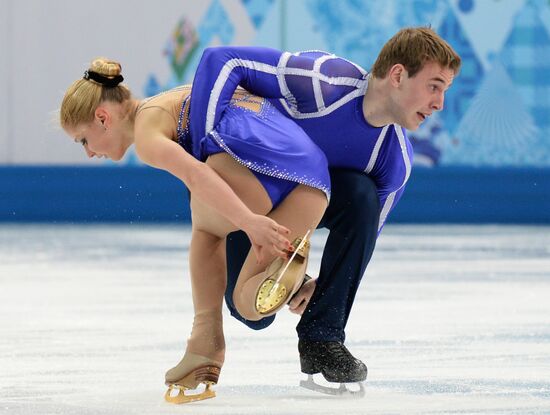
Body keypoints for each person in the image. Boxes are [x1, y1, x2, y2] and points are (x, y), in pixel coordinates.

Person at [186, 27, 461, 391]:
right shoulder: (321, 84)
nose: (440, 102)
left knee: (362, 196)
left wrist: (322, 287)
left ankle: (321, 338)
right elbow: (221, 60)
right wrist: (201, 160)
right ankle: (276, 273)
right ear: (397, 75)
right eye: (434, 86)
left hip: (305, 206)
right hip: (250, 198)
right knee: (253, 316)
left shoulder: (394, 160)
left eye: (444, 90)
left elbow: (363, 241)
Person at [59, 61, 335, 403]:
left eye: (83, 139)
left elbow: (197, 176)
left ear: (103, 117)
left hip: (262, 171)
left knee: (205, 230)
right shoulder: (177, 96)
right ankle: (292, 277)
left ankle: (204, 345)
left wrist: (249, 222)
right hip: (315, 182)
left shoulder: (147, 131)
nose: (88, 152)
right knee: (247, 303)